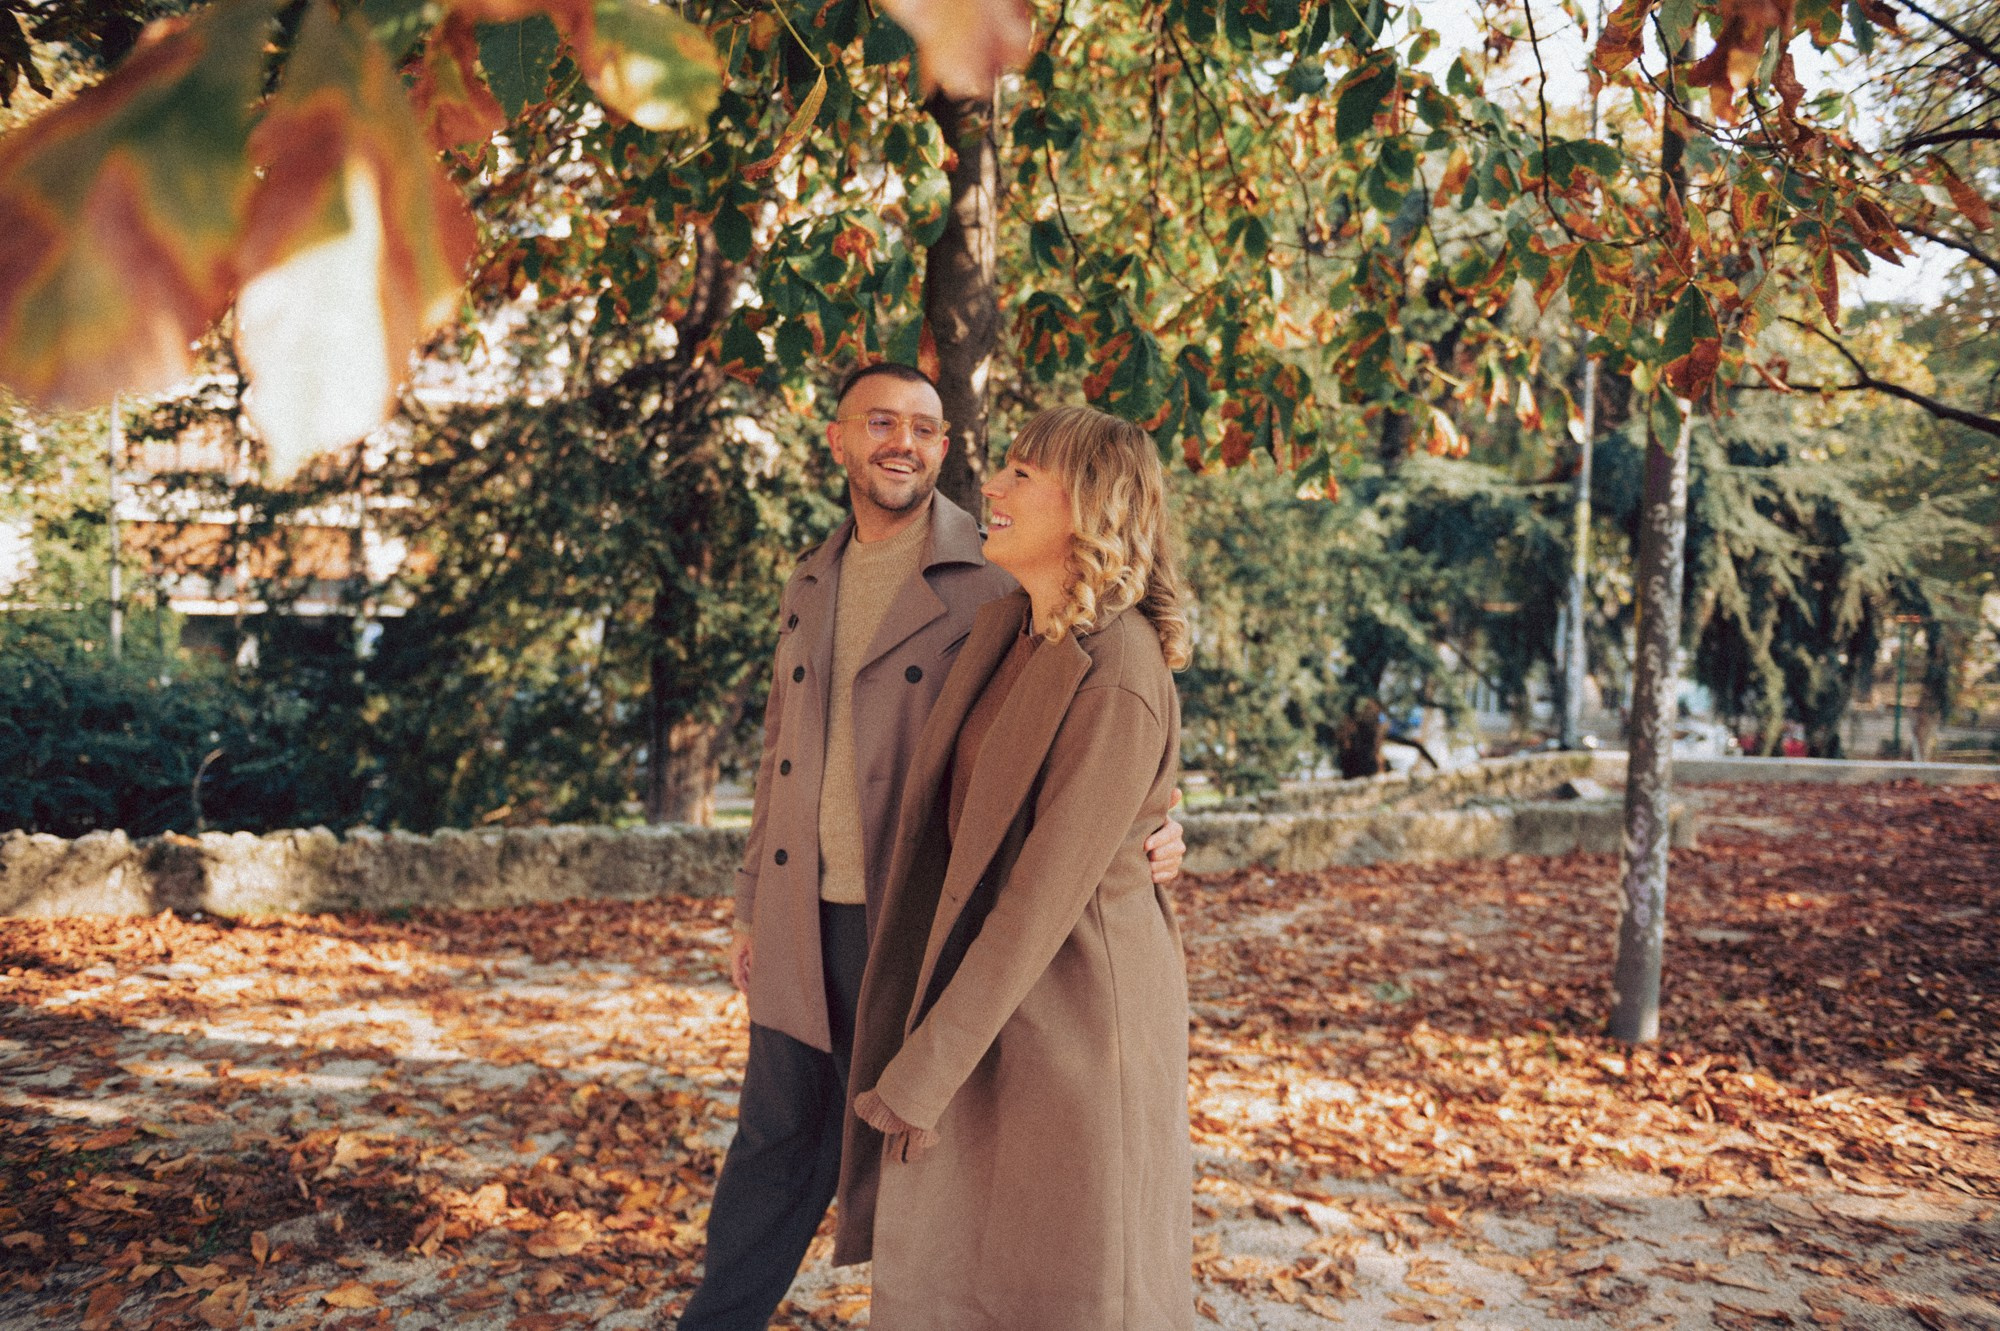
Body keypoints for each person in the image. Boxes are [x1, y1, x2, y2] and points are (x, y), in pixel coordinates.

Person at [677, 368, 1186, 1331]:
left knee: (1013, 1219)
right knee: (779, 1143)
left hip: (964, 946)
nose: (910, 444)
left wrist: (1156, 816)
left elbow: (1101, 761)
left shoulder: (995, 580)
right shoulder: (843, 584)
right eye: (881, 421)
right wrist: (751, 901)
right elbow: (785, 749)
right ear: (838, 439)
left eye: (928, 428)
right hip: (826, 915)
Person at [837, 404, 1195, 1331]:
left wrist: (924, 1070)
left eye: (1023, 474)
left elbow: (1041, 898)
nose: (990, 486)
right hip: (995, 1001)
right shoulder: (1010, 632)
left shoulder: (1116, 669)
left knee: (1070, 1284)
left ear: (1092, 506)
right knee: (972, 1274)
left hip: (1073, 1022)